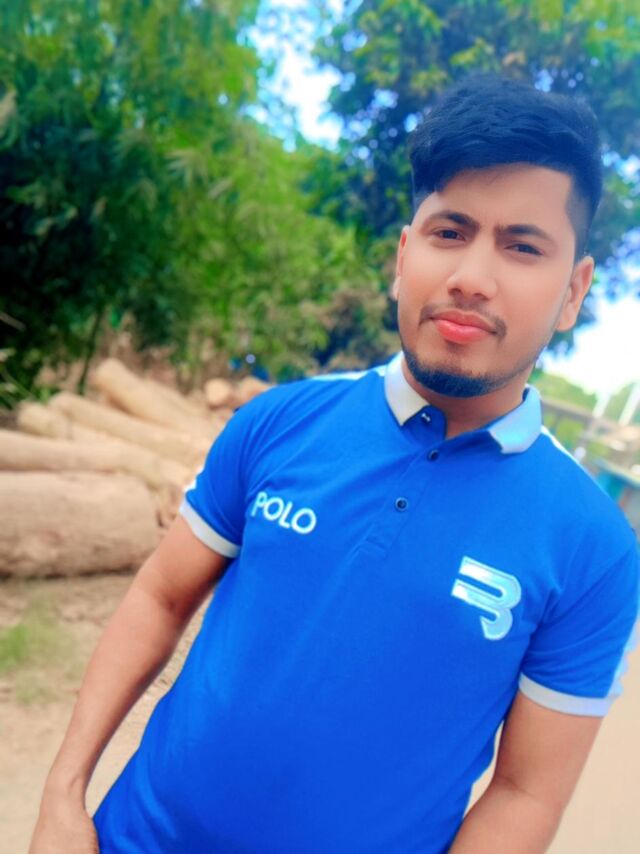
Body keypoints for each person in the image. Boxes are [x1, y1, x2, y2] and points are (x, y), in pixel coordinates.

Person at [31, 75, 638, 854]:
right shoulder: (280, 421)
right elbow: (159, 594)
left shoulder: (594, 549)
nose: (472, 277)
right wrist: (63, 794)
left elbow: (526, 792)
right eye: (450, 231)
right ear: (404, 256)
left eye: (523, 247)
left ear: (574, 291)